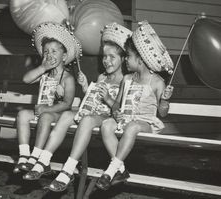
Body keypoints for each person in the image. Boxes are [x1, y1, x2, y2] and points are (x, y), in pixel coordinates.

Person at [22, 23, 132, 192]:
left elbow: (120, 109)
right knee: (67, 115)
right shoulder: (102, 76)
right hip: (93, 113)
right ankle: (44, 159)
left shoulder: (126, 79)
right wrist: (86, 87)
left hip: (108, 118)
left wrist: (108, 98)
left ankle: (68, 169)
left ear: (123, 59)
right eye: (104, 57)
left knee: (86, 120)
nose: (106, 61)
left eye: (112, 57)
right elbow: (93, 99)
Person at [96, 20, 174, 190]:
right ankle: (121, 169)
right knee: (107, 123)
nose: (126, 60)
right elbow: (117, 105)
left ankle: (110, 170)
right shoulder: (127, 79)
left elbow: (163, 113)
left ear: (140, 59)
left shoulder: (157, 82)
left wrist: (165, 100)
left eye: (128, 56)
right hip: (126, 120)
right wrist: (115, 111)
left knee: (132, 126)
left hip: (145, 123)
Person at [13, 22, 83, 174]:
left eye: (54, 51)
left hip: (57, 114)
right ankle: (24, 156)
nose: (49, 55)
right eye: (46, 52)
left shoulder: (67, 78)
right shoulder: (44, 74)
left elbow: (67, 104)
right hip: (43, 111)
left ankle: (36, 156)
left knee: (45, 116)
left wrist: (48, 109)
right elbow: (26, 79)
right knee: (22, 114)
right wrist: (43, 68)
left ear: (64, 56)